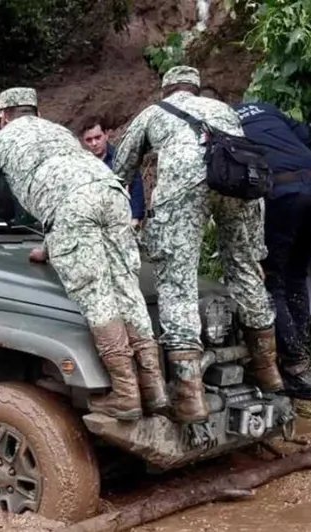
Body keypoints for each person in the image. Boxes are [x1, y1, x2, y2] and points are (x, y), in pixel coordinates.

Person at [0, 87, 167, 420]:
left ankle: (125, 394)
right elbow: (71, 186)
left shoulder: (1, 140)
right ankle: (154, 388)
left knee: (96, 297)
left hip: (73, 209)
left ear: (4, 115)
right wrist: (49, 247)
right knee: (126, 288)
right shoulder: (59, 132)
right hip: (113, 194)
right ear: (36, 111)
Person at [112, 65, 283, 423]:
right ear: (196, 87)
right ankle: (269, 371)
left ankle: (190, 398)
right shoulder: (223, 110)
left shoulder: (154, 113)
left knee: (177, 280)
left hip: (186, 187)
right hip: (239, 182)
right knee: (246, 268)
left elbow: (120, 170)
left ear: (167, 90)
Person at [234, 101, 311, 401]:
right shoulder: (267, 109)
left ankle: (295, 367)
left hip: (282, 193)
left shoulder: (225, 120)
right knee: (297, 276)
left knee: (273, 279)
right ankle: (302, 357)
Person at [80, 116, 145, 227]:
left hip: (123, 222)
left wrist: (135, 218)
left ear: (106, 134)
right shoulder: (81, 165)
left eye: (97, 137)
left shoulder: (123, 159)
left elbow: (136, 189)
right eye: (89, 140)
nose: (94, 143)